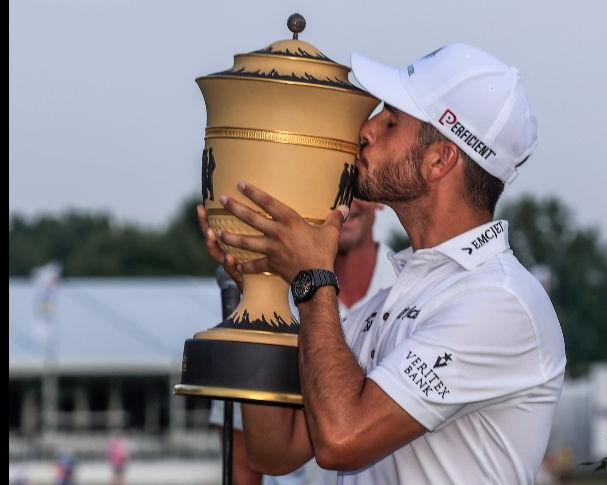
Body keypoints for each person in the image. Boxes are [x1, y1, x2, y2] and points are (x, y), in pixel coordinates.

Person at [201, 43, 566, 484]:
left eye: (391, 121)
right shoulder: (390, 301)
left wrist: (313, 279)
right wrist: (265, 288)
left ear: (439, 160)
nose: (365, 131)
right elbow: (274, 450)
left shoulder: (502, 304)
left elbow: (342, 440)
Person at [205, 198, 398, 485]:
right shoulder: (262, 299)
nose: (344, 203)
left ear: (378, 198)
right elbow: (247, 459)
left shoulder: (410, 287)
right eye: (329, 180)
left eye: (353, 183)